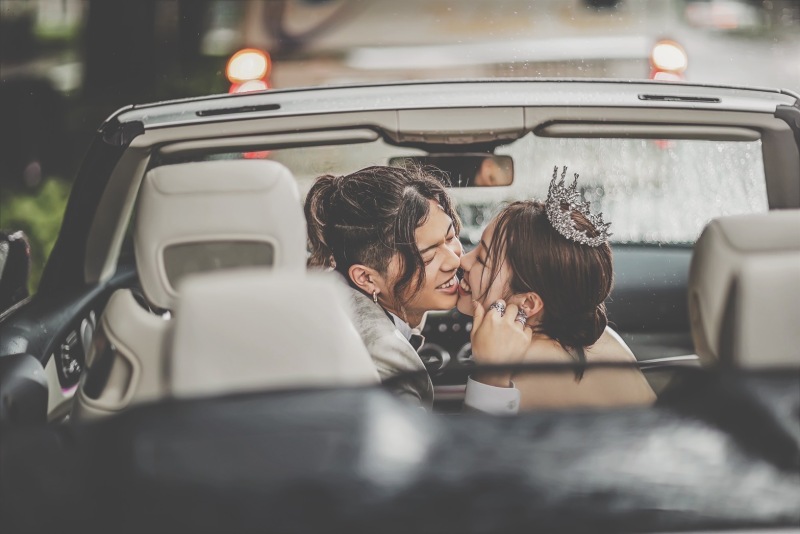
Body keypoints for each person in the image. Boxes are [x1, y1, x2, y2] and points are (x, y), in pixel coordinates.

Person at [305, 165, 523, 412]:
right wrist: (492, 378)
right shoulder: (383, 359)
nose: (456, 260)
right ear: (366, 278)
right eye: (427, 257)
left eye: (451, 237)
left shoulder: (330, 293)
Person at [457, 166, 656, 409]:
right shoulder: (603, 338)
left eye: (481, 259)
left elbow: (473, 446)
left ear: (528, 303)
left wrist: (489, 375)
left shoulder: (523, 366)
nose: (463, 260)